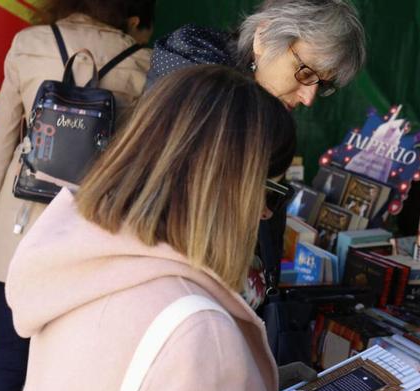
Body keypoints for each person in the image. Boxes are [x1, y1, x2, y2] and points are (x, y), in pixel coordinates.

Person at [3, 65, 375, 391]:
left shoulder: (82, 255)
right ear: (224, 188)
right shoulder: (193, 333)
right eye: (270, 192)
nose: (267, 213)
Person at [0, 1, 154, 391]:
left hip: (19, 230)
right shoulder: (140, 62)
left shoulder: (29, 45)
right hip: (91, 236)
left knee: (5, 357)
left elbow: (1, 142)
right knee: (67, 368)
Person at [147, 0, 367, 310]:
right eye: (305, 72)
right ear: (263, 38)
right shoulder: (198, 84)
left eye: (324, 84)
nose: (309, 97)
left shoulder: (257, 100)